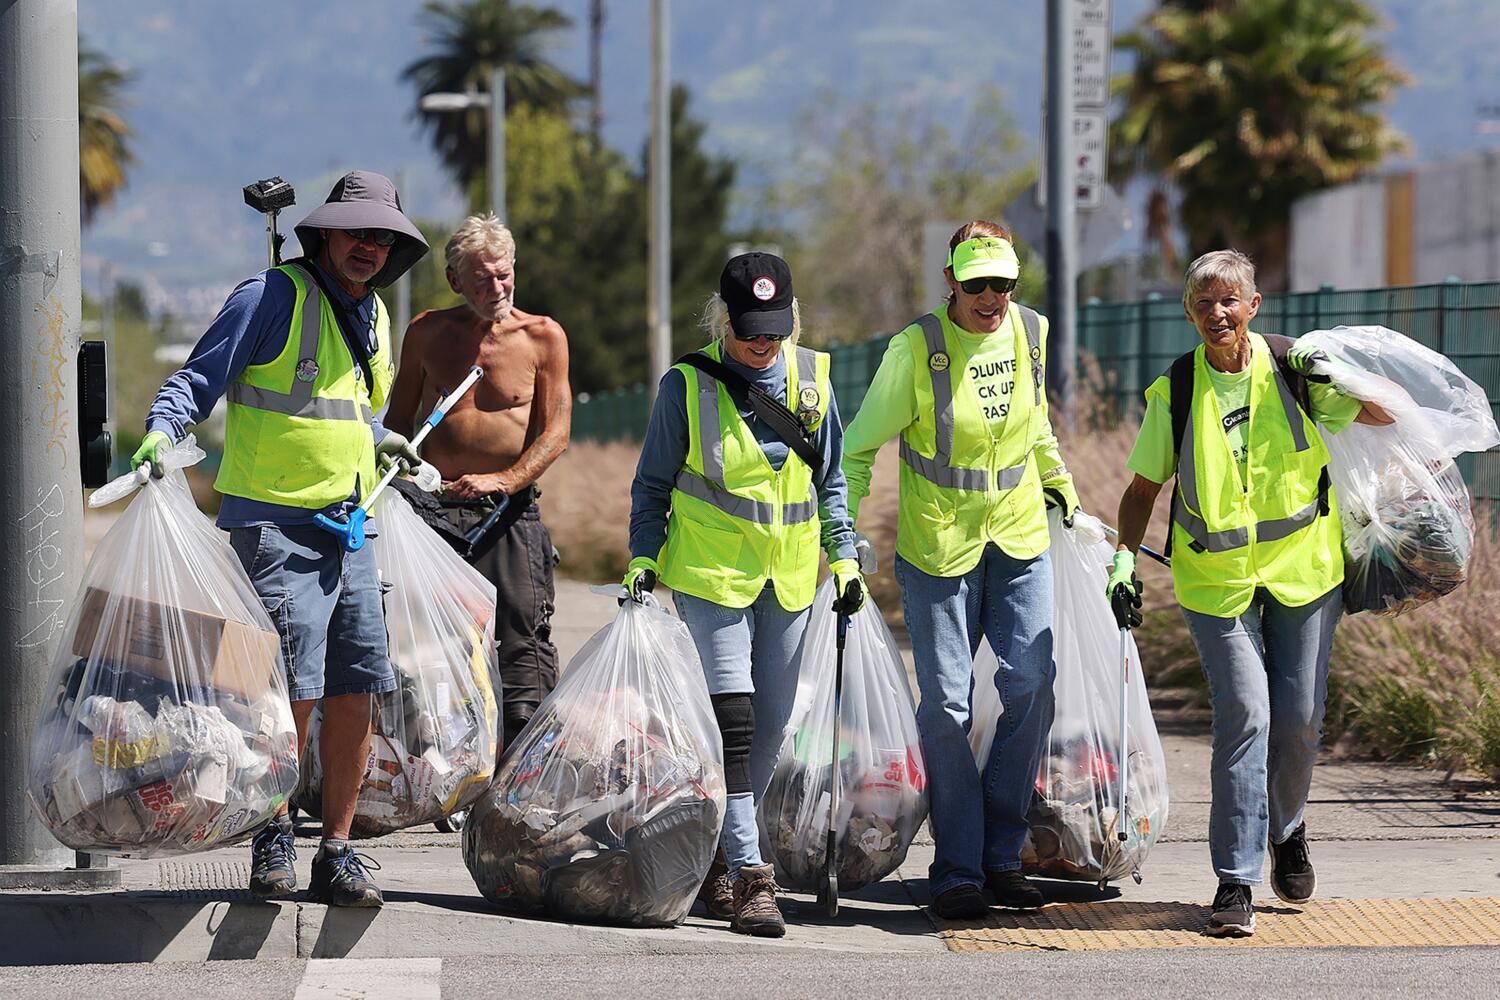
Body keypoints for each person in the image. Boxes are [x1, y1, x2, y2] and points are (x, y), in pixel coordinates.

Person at [131, 170, 430, 907]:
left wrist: (384, 440)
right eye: (358, 233)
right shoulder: (269, 298)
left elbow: (348, 411)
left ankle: (336, 849)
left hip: (351, 529)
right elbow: (198, 379)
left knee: (357, 686)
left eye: (383, 238)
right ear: (324, 232)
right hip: (272, 529)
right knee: (281, 692)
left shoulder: (377, 315)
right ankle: (270, 833)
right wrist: (163, 431)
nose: (370, 248)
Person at [1110, 249, 1391, 937]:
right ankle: (1234, 879)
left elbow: (1382, 418)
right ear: (1188, 313)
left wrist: (1343, 376)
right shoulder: (1176, 390)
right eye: (1203, 303)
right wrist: (1122, 560)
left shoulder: (1294, 372)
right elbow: (1144, 489)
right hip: (1216, 581)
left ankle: (1287, 828)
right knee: (1246, 715)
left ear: (1254, 305)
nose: (1217, 313)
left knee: (1297, 716)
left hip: (1305, 570)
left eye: (1229, 300)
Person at [841, 221, 1079, 920]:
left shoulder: (1029, 333)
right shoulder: (917, 350)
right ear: (951, 280)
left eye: (1002, 283)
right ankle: (958, 869)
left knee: (1032, 681)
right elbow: (858, 448)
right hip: (939, 547)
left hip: (1017, 534)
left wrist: (1061, 485)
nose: (990, 297)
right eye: (976, 283)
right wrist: (842, 534)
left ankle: (1003, 854)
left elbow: (1035, 428)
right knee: (946, 705)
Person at [624, 252, 862, 938]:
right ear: (724, 319)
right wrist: (644, 556)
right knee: (734, 721)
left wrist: (842, 558)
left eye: (776, 328)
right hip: (711, 577)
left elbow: (832, 482)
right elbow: (652, 485)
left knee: (774, 727)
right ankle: (755, 878)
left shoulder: (814, 380)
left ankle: (719, 862)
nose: (765, 342)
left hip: (788, 578)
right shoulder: (686, 386)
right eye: (752, 329)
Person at [385, 214, 571, 751]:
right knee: (426, 639)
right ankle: (432, 762)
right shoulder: (426, 332)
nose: (496, 288)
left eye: (504, 275)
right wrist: (397, 483)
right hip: (432, 510)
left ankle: (521, 766)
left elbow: (556, 434)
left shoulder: (543, 337)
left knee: (522, 642)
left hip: (507, 512)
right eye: (483, 278)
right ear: (455, 281)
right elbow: (397, 424)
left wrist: (505, 480)